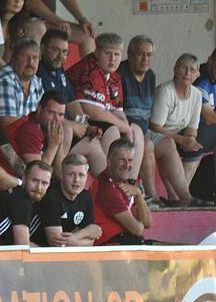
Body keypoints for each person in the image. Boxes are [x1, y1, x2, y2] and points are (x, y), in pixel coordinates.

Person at [67, 33, 145, 182]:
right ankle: (114, 184)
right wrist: (124, 128)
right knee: (112, 131)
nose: (112, 59)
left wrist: (128, 128)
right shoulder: (90, 70)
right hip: (79, 120)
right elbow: (94, 113)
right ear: (96, 53)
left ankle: (130, 183)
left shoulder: (115, 76)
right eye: (108, 54)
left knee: (136, 130)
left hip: (96, 120)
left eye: (117, 54)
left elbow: (117, 111)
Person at [148, 54, 207, 207]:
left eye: (192, 70)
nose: (187, 73)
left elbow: (192, 128)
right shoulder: (166, 91)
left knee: (194, 149)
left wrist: (190, 140)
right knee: (170, 144)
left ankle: (182, 193)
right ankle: (175, 196)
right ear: (175, 70)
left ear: (197, 75)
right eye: (183, 68)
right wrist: (181, 140)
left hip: (178, 133)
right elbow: (155, 126)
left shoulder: (196, 95)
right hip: (158, 133)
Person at [5, 90, 106, 177]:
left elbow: (60, 174)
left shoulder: (49, 128)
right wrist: (53, 146)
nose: (56, 119)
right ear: (40, 110)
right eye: (51, 113)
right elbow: (38, 175)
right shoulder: (31, 129)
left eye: (61, 115)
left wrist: (58, 144)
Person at [116, 35, 158, 203]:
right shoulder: (120, 74)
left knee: (168, 144)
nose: (145, 59)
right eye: (140, 54)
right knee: (147, 145)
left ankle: (183, 198)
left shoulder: (151, 76)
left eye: (149, 55)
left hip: (146, 130)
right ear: (130, 54)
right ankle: (152, 197)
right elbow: (117, 111)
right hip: (126, 131)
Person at [91, 139, 151, 245]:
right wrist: (138, 219)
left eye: (130, 160)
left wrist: (138, 194)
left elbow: (148, 223)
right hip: (111, 249)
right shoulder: (106, 187)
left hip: (125, 244)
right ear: (109, 161)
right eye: (122, 160)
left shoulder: (123, 183)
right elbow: (137, 229)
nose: (127, 165)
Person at [33, 153, 101, 247]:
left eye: (81, 175)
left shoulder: (86, 197)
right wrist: (79, 239)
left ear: (86, 177)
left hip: (60, 253)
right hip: (35, 248)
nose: (76, 180)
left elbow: (94, 235)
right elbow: (57, 245)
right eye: (71, 174)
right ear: (62, 175)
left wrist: (75, 238)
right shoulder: (51, 196)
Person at [0, 159, 52, 246]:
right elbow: (22, 246)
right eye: (34, 180)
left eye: (44, 183)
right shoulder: (21, 201)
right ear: (24, 178)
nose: (39, 187)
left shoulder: (15, 193)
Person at [0, 38, 44, 128]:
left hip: (26, 134)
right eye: (26, 57)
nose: (31, 62)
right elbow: (7, 123)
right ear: (14, 58)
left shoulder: (36, 82)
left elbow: (43, 117)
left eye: (35, 58)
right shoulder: (5, 80)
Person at [25, 0, 95, 56]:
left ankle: (89, 70)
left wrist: (82, 19)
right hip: (27, 20)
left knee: (87, 34)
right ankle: (33, 69)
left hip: (49, 22)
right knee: (39, 28)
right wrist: (56, 20)